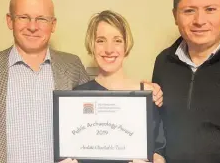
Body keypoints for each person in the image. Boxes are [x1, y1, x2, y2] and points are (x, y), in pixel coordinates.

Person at [0, 0, 90, 163]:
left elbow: (91, 127)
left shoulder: (73, 66)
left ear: (53, 24)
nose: (32, 27)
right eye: (23, 17)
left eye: (41, 19)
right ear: (9, 21)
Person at [152, 0, 220, 163]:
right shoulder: (163, 62)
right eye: (189, 11)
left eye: (210, 9)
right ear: (175, 15)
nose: (200, 21)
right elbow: (159, 127)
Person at [60, 10, 166, 163]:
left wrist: (157, 160)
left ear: (126, 45)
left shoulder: (148, 94)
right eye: (101, 40)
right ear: (92, 45)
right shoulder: (78, 97)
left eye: (117, 40)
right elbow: (71, 148)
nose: (109, 49)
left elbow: (158, 148)